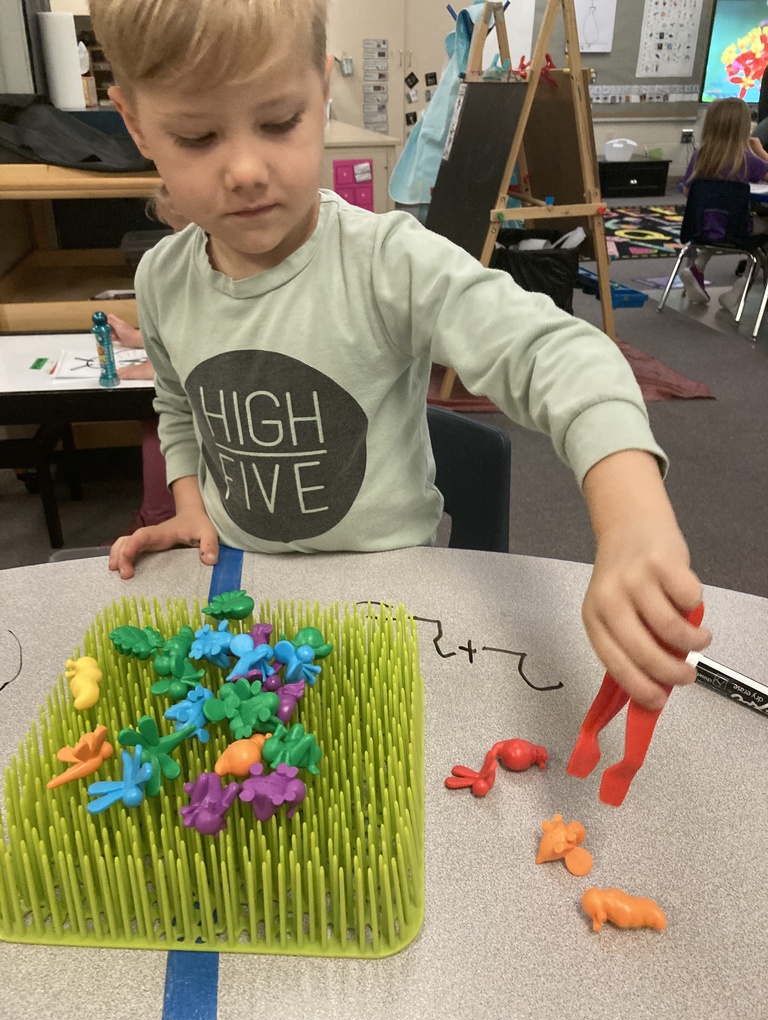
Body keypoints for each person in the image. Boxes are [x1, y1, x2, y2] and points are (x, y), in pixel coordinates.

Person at [89, 0, 711, 711]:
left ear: (322, 93)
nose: (245, 170)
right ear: (135, 122)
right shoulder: (162, 281)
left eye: (279, 122)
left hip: (395, 601)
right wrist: (192, 503)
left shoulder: (387, 261)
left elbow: (554, 351)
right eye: (197, 136)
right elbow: (177, 404)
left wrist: (631, 519)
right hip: (245, 595)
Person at [108, 186, 188, 529]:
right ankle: (155, 516)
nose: (176, 242)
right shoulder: (171, 268)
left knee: (159, 425)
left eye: (183, 232)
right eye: (173, 232)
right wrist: (140, 339)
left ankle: (157, 517)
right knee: (154, 419)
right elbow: (182, 328)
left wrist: (155, 367)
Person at [678, 97, 768, 312]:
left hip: (698, 228)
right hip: (738, 230)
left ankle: (697, 266)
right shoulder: (747, 160)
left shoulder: (700, 157)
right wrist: (758, 149)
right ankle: (739, 288)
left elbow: (687, 190)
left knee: (717, 222)